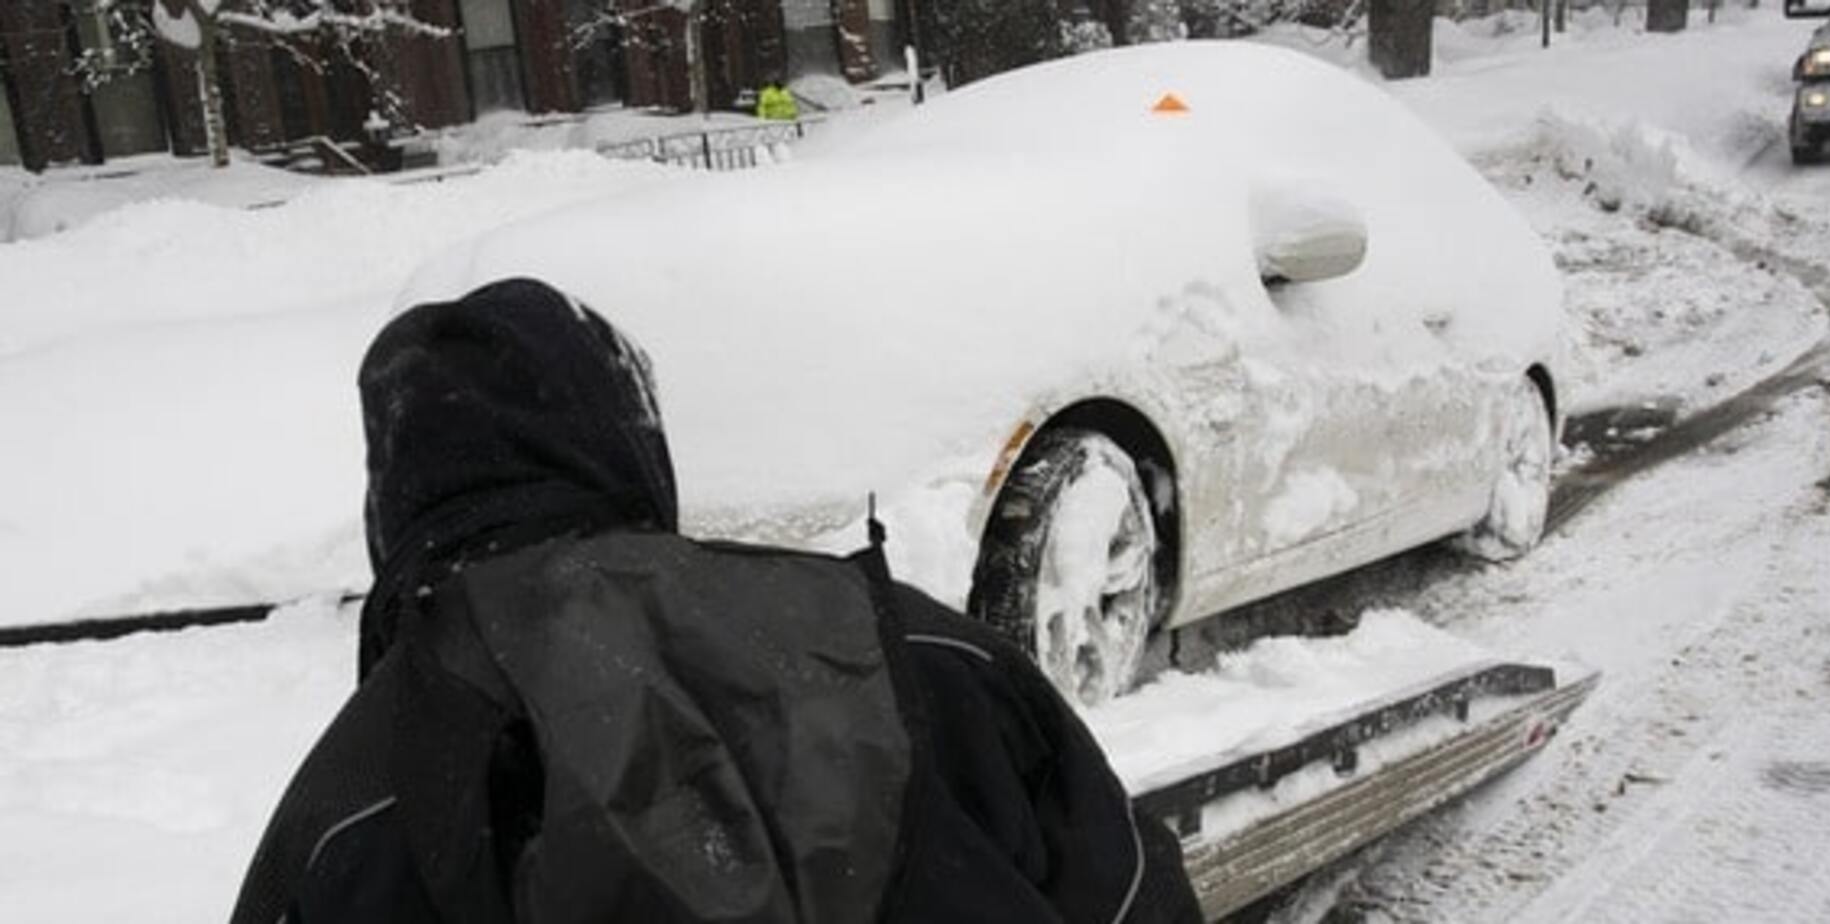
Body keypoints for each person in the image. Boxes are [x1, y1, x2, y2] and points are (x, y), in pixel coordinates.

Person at [230, 278, 1201, 924]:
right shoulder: (922, 657)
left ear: (396, 502)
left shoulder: (354, 804)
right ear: (628, 441)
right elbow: (1131, 894)